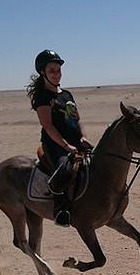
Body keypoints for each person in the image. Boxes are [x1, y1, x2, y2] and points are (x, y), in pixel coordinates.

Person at [27, 49, 93, 227]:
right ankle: (61, 210)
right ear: (43, 73)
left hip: (75, 141)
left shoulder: (67, 95)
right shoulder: (42, 97)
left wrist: (83, 138)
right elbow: (48, 126)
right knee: (63, 171)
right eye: (52, 71)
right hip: (54, 144)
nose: (57, 74)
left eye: (58, 70)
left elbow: (77, 120)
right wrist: (66, 146)